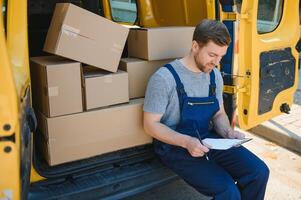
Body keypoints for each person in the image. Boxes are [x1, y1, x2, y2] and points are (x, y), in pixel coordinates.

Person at [143, 19, 269, 200]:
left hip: (208, 141)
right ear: (195, 46)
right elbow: (150, 125)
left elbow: (218, 113)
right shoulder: (164, 78)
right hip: (175, 147)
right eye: (212, 55)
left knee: (259, 172)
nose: (216, 62)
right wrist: (187, 142)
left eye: (221, 56)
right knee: (227, 191)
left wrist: (227, 132)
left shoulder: (214, 75)